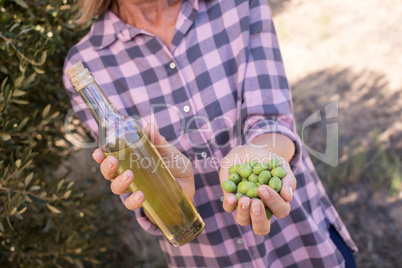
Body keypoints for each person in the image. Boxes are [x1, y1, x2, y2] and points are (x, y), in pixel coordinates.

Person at [63, 0, 358, 266]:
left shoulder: (239, 5)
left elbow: (271, 119)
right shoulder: (86, 64)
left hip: (301, 244)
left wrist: (263, 154)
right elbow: (139, 179)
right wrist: (173, 200)